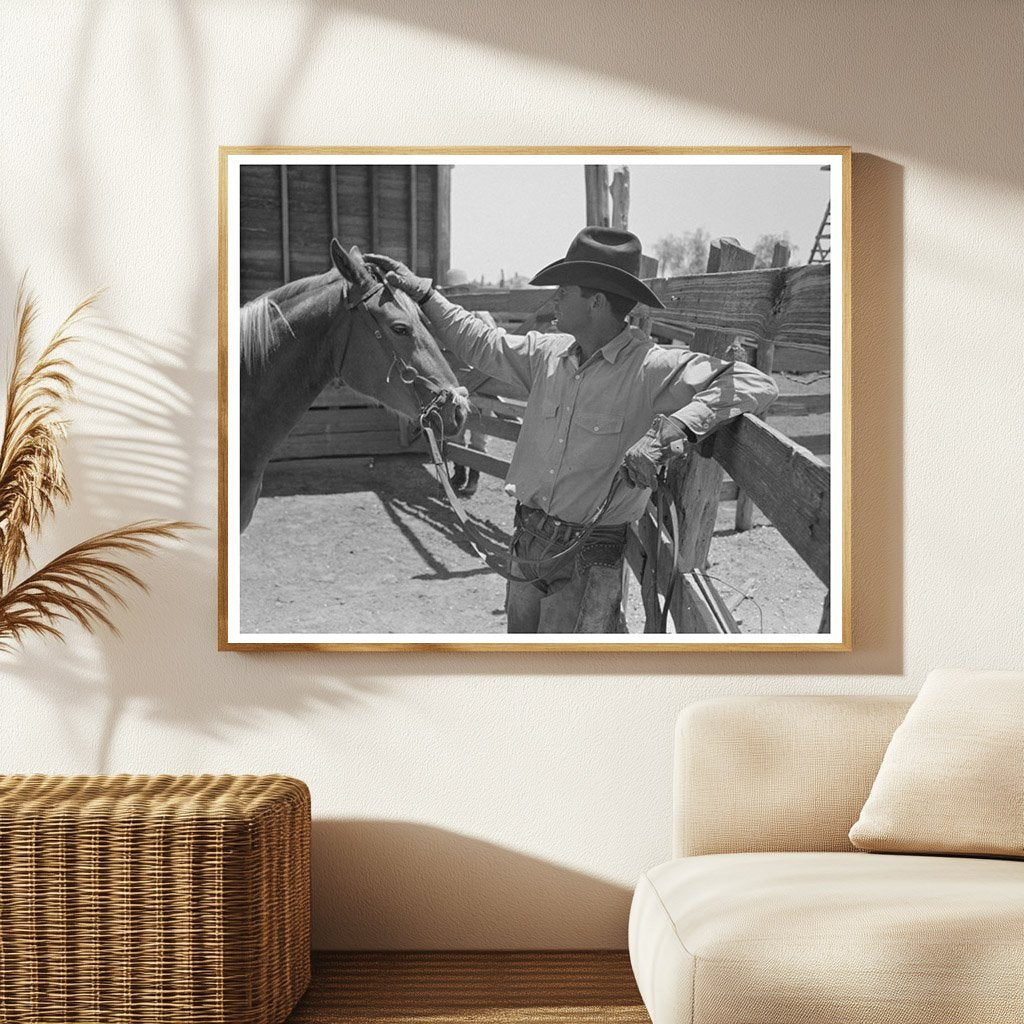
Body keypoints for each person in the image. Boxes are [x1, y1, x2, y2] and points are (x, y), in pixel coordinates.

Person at [366, 227, 778, 633]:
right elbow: (481, 342)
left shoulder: (650, 367)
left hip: (589, 554)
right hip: (528, 540)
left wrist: (671, 430)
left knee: (564, 666)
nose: (556, 297)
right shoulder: (548, 354)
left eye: (565, 289)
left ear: (596, 302)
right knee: (523, 657)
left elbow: (754, 382)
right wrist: (424, 294)